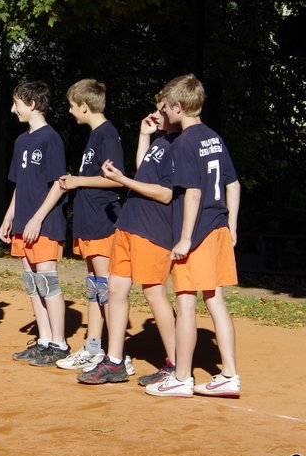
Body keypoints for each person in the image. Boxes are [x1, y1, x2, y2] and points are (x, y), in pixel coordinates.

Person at [146, 74, 241, 398]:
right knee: (215, 301)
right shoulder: (213, 136)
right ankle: (229, 374)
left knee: (186, 303)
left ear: (179, 107)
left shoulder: (185, 142)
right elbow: (233, 184)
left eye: (166, 107)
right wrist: (233, 225)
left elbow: (194, 192)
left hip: (197, 233)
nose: (163, 111)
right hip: (218, 227)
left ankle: (182, 377)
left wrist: (185, 238)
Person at [78, 90, 178, 385]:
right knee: (115, 288)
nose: (156, 114)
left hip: (153, 227)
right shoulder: (162, 140)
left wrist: (122, 180)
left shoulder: (181, 144)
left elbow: (166, 193)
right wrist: (145, 136)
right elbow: (145, 173)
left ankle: (176, 364)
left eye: (161, 110)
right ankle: (114, 361)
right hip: (130, 222)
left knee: (154, 292)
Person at [0, 81, 70, 367]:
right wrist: (9, 215)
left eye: (16, 103)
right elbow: (20, 184)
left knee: (47, 281)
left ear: (31, 104)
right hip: (23, 223)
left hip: (44, 224)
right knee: (31, 282)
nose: (12, 109)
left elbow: (59, 184)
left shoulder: (51, 139)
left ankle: (59, 344)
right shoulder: (21, 141)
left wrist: (38, 218)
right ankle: (44, 341)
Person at [56, 79, 124, 371]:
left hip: (101, 222)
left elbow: (115, 178)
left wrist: (77, 181)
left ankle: (116, 355)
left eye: (72, 106)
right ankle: (94, 347)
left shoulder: (107, 134)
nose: (71, 111)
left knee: (105, 286)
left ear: (84, 106)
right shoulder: (95, 135)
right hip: (88, 221)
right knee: (94, 285)